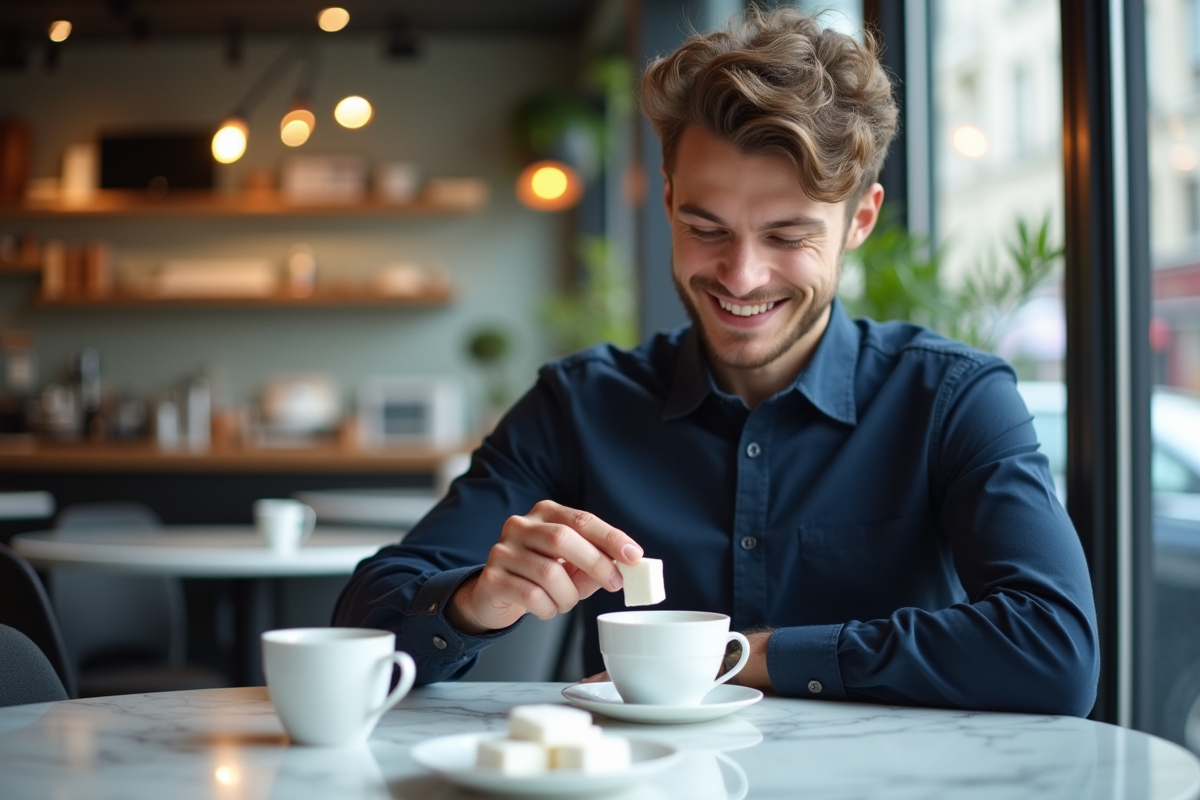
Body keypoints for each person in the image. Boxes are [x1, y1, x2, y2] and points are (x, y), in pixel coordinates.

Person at [334, 6, 1099, 716]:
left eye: (787, 236)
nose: (740, 276)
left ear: (859, 221)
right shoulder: (578, 404)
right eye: (707, 228)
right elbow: (366, 623)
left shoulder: (953, 400)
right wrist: (474, 600)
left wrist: (749, 657)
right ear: (667, 201)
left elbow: (1055, 649)